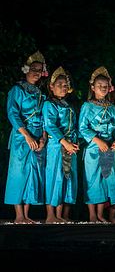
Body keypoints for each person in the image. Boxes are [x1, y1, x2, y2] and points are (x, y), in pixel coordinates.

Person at [4, 51, 48, 223]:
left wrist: (43, 137)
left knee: (32, 173)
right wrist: (27, 136)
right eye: (34, 69)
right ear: (26, 70)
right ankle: (18, 215)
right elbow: (13, 114)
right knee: (18, 172)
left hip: (38, 135)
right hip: (22, 135)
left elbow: (44, 117)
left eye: (40, 69)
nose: (37, 72)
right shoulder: (17, 90)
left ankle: (26, 215)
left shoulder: (40, 93)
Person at [79, 66, 115, 222]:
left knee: (105, 179)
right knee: (92, 179)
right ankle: (92, 215)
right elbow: (83, 128)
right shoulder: (87, 106)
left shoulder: (111, 107)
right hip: (94, 148)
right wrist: (97, 140)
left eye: (105, 86)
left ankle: (100, 214)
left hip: (109, 147)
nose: (103, 88)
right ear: (92, 87)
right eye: (99, 86)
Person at [43, 67, 79, 223]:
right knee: (54, 177)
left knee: (67, 178)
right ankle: (50, 215)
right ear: (51, 86)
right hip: (57, 146)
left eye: (65, 84)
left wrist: (75, 142)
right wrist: (65, 142)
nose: (63, 87)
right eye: (59, 84)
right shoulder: (49, 104)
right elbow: (50, 125)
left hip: (70, 145)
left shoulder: (68, 106)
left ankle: (61, 215)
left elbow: (74, 127)